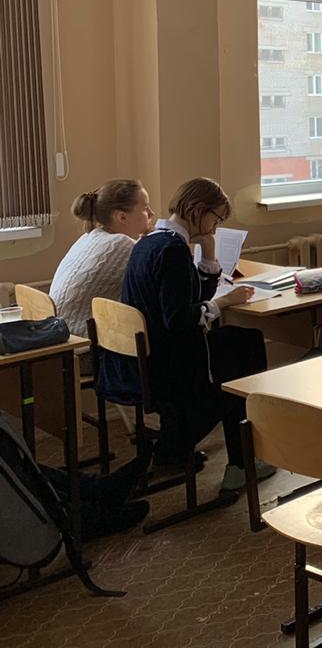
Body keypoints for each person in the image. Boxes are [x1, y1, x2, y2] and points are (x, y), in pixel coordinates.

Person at [109, 178, 275, 492]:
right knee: (246, 349)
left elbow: (190, 296)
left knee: (239, 342)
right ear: (198, 211)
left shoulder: (151, 240)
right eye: (216, 219)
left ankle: (175, 445)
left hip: (146, 359)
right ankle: (240, 462)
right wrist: (223, 303)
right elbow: (179, 320)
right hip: (170, 365)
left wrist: (209, 257)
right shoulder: (172, 250)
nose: (215, 227)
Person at [50, 180, 155, 340]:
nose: (151, 213)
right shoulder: (121, 244)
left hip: (58, 329)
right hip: (79, 340)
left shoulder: (90, 236)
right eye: (145, 208)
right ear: (122, 217)